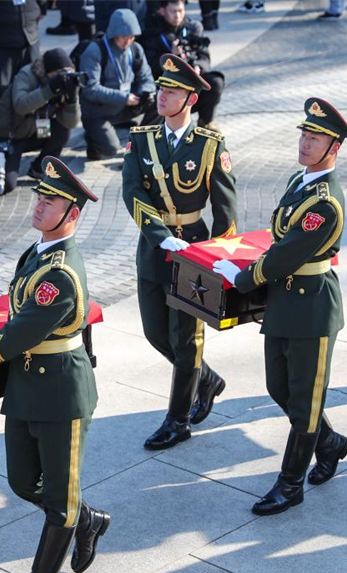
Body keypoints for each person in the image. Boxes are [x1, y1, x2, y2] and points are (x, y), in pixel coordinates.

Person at [0, 157, 110, 573]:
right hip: (28, 387)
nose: (39, 206)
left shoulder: (59, 273)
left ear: (72, 215)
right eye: (39, 198)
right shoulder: (36, 254)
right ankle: (87, 520)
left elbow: (23, 331)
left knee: (58, 495)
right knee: (24, 481)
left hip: (61, 395)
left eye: (51, 202)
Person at [213, 98, 347, 515]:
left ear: (334, 147)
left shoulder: (325, 201)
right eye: (304, 135)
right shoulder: (301, 181)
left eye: (315, 138)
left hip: (311, 307)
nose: (305, 144)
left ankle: (290, 484)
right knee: (280, 388)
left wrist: (243, 276)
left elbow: (286, 253)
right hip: (285, 301)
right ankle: (330, 444)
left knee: (305, 401)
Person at [122, 53, 237, 450]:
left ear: (190, 99)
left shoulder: (209, 145)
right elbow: (132, 191)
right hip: (155, 250)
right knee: (157, 332)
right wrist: (157, 233)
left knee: (187, 339)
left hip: (194, 249)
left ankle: (178, 418)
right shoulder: (142, 140)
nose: (161, 96)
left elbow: (225, 205)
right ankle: (207, 380)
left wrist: (221, 257)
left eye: (171, 91)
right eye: (160, 89)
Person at [0, 48, 81, 195]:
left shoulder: (63, 83)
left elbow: (71, 123)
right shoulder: (27, 74)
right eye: (59, 74)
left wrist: (72, 99)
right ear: (49, 72)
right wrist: (49, 89)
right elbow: (21, 106)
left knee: (62, 130)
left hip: (35, 129)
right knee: (6, 186)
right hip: (11, 135)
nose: (64, 77)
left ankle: (39, 168)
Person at [0, 0, 46, 175]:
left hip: (29, 30)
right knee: (0, 95)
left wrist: (42, 6)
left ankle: (45, 150)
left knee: (39, 92)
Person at [79, 8, 155, 160]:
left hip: (126, 105)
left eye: (131, 36)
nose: (127, 41)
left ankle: (144, 142)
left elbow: (147, 79)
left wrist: (144, 92)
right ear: (113, 33)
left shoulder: (135, 49)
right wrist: (123, 97)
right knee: (110, 150)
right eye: (123, 36)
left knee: (158, 101)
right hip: (98, 112)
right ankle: (93, 138)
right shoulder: (95, 51)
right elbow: (90, 90)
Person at [142, 0, 225, 131]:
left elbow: (204, 57)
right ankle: (161, 128)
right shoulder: (153, 31)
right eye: (173, 11)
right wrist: (171, 56)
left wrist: (198, 67)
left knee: (215, 81)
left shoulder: (192, 27)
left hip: (191, 82)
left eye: (180, 11)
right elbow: (150, 65)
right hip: (166, 83)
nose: (177, 16)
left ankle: (205, 121)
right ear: (162, 11)